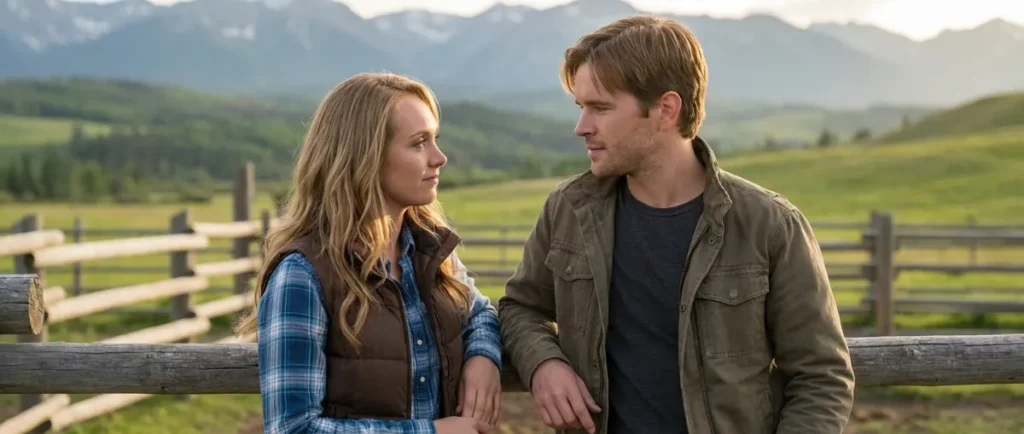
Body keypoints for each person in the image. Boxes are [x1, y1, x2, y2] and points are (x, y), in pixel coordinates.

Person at [498, 14, 856, 434]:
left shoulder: (769, 225)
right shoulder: (568, 210)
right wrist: (545, 363)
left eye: (600, 108)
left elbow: (821, 377)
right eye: (581, 107)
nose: (582, 127)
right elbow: (520, 308)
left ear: (666, 109)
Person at [234, 72, 503, 434]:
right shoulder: (302, 275)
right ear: (366, 157)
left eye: (435, 139)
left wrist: (483, 356)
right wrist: (434, 432)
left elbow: (481, 311)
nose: (439, 157)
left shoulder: (427, 251)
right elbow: (293, 429)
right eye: (419, 143)